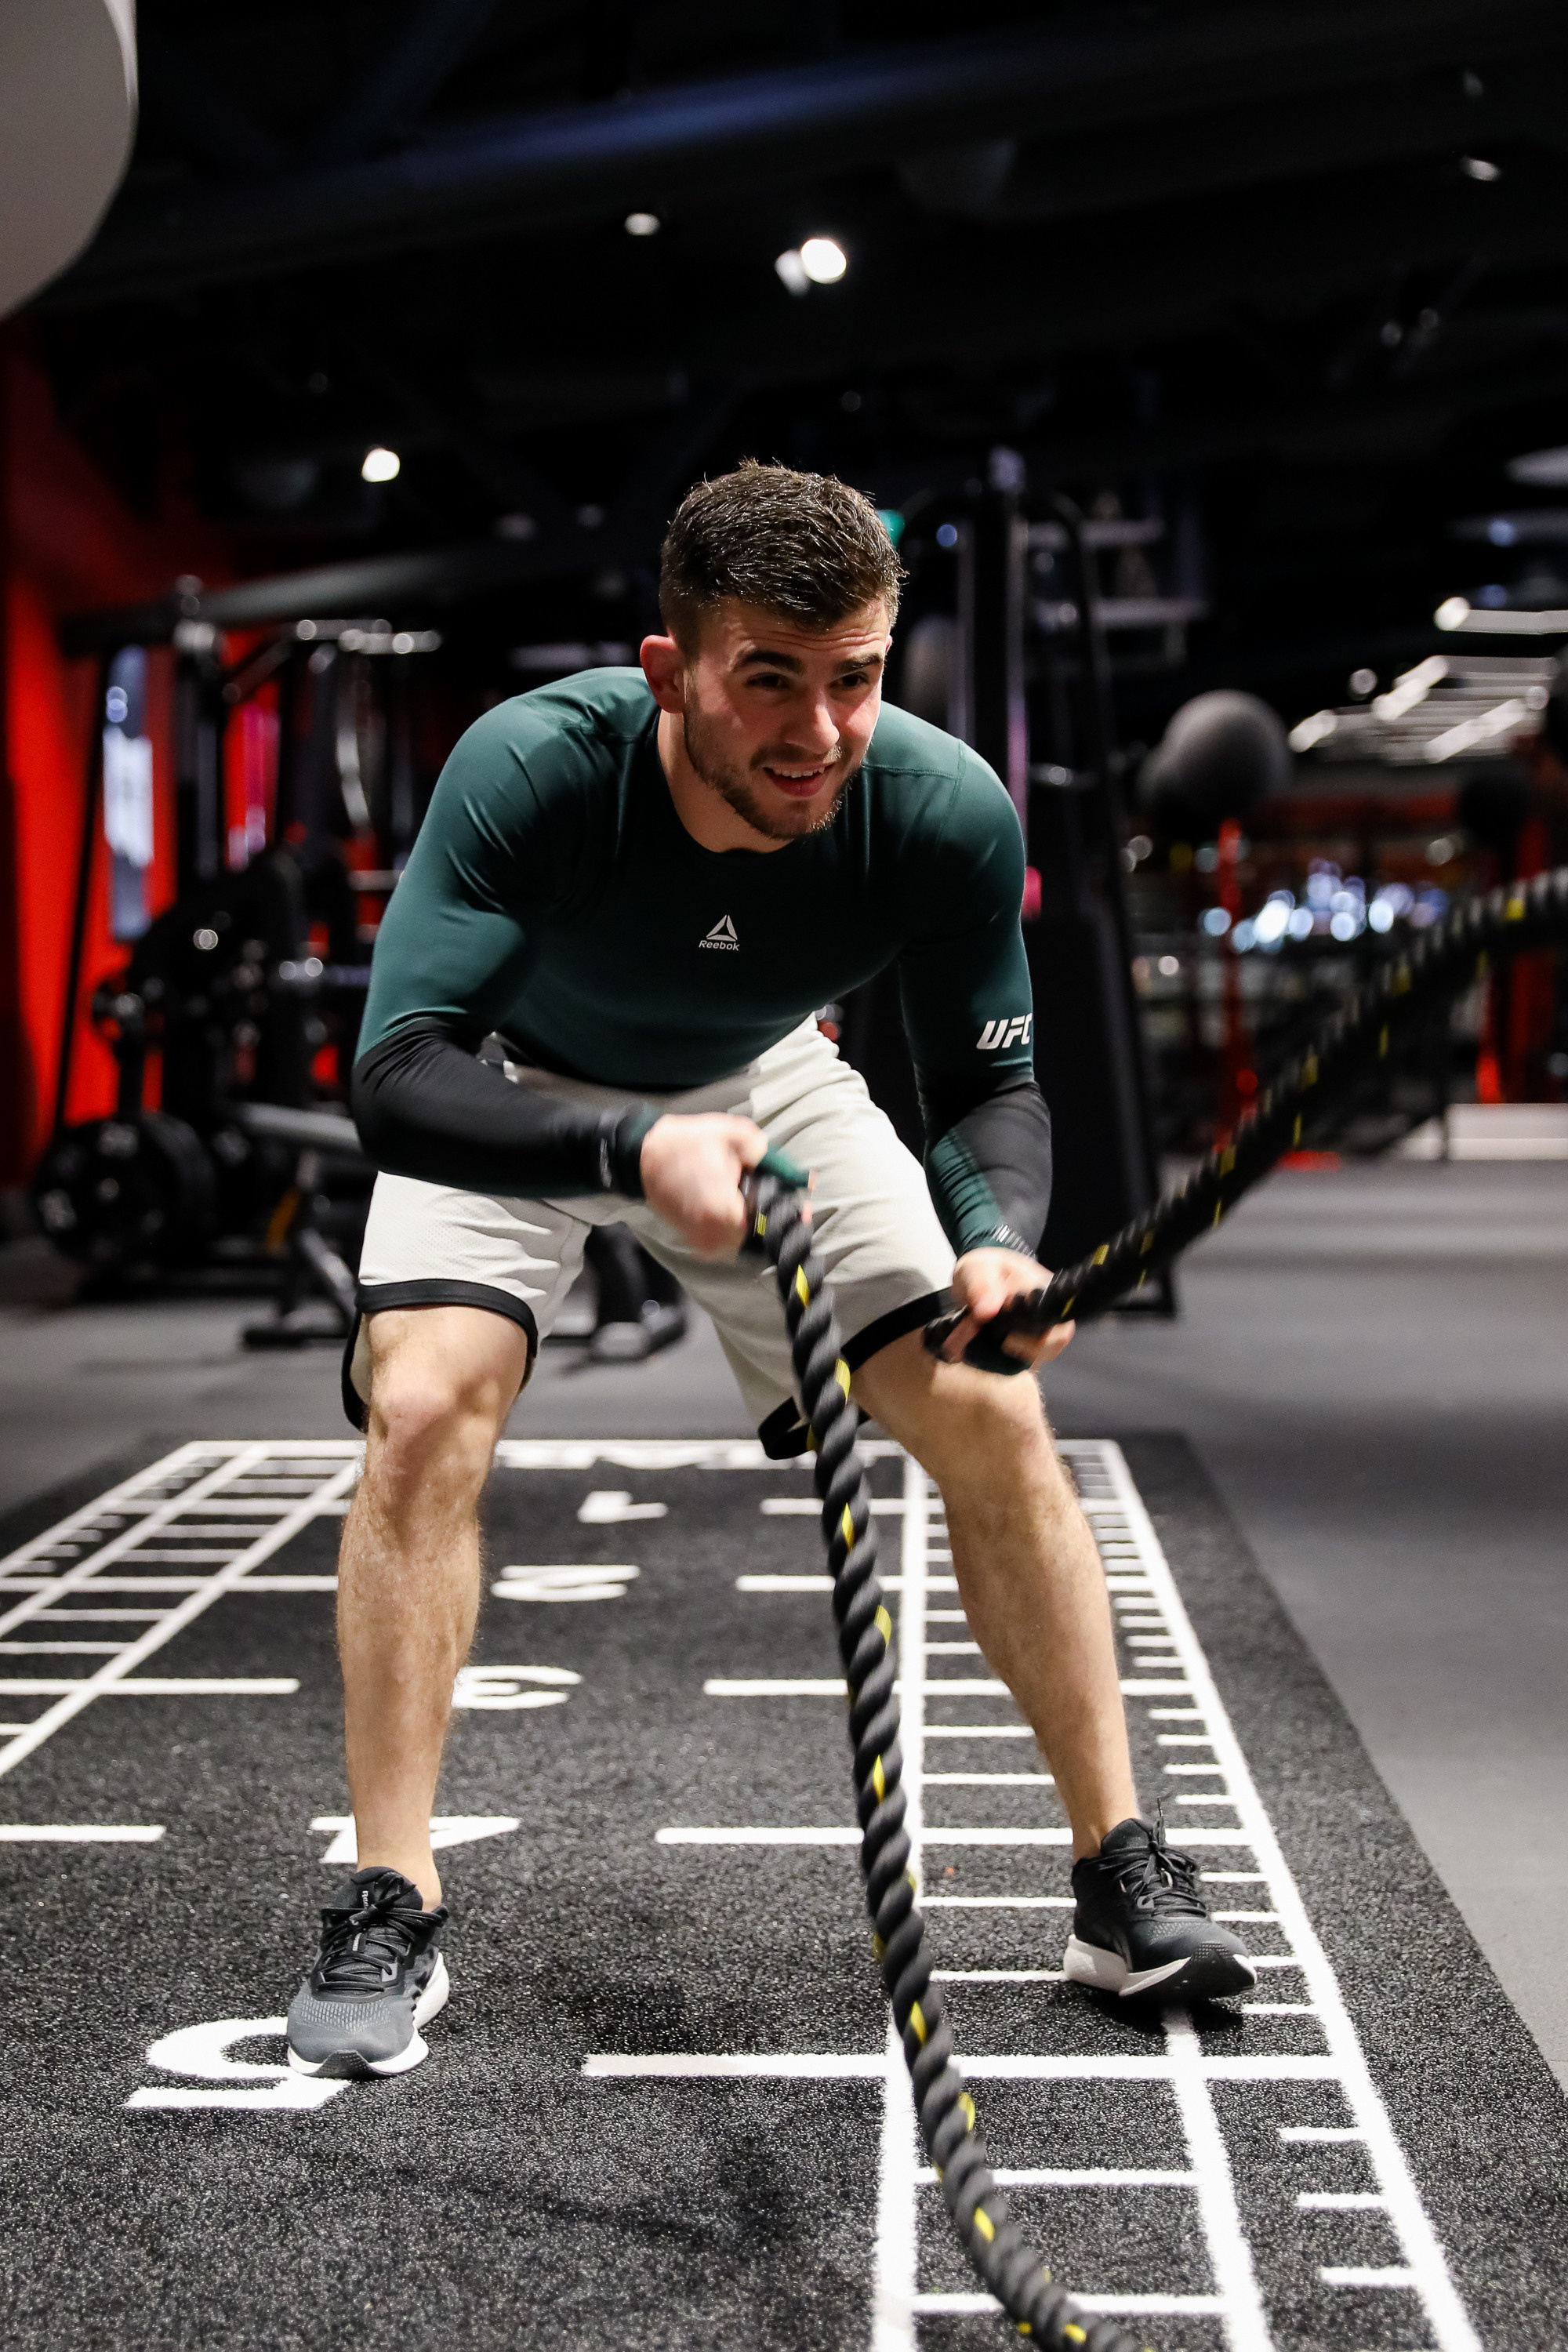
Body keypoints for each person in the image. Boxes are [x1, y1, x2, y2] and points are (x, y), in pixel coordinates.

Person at [284, 462, 1254, 2080]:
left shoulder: (939, 808)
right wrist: (626, 1148)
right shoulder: (535, 766)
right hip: (517, 1083)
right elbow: (397, 1074)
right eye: (771, 681)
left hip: (765, 1073)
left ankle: (1117, 1873)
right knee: (425, 1411)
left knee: (992, 1413)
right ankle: (391, 1891)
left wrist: (997, 1243)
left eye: (854, 677)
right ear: (671, 669)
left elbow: (991, 1092)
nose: (820, 732)